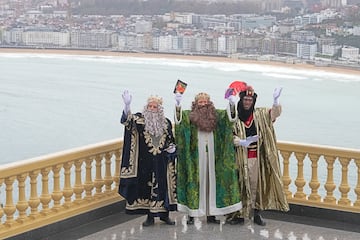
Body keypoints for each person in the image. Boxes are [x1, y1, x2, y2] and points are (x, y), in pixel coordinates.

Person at [174, 91, 242, 225]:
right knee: (195, 183)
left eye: (205, 102)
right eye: (200, 102)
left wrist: (231, 104)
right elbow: (179, 121)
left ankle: (212, 213)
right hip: (195, 158)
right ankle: (192, 214)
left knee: (211, 184)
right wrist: (177, 104)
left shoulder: (216, 115)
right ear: (196, 104)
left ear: (209, 103)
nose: (203, 104)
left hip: (213, 156)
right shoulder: (190, 116)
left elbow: (230, 119)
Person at [227, 84, 289, 226]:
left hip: (257, 157)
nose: (247, 102)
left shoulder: (259, 114)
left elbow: (274, 114)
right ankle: (239, 214)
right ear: (241, 100)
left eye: (250, 100)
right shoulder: (234, 117)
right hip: (240, 156)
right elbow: (228, 135)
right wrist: (241, 142)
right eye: (245, 100)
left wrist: (275, 101)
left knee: (257, 186)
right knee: (240, 185)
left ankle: (256, 213)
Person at [118, 90, 177, 227]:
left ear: (159, 108)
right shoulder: (140, 120)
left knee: (163, 188)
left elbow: (170, 140)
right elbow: (127, 121)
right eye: (150, 106)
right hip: (145, 162)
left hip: (162, 162)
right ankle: (150, 217)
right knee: (147, 188)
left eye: (154, 107)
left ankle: (164, 215)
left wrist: (172, 148)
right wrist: (127, 106)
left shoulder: (166, 123)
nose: (152, 109)